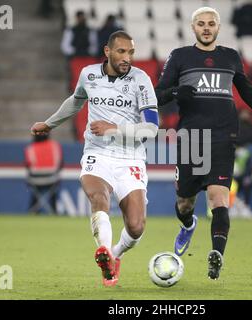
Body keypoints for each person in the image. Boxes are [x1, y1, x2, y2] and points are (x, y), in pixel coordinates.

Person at [155, 7, 252, 280]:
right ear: (193, 28)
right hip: (192, 138)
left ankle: (217, 254)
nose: (207, 28)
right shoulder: (180, 56)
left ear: (218, 27)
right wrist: (175, 92)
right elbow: (157, 95)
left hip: (224, 135)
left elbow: (249, 94)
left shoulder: (230, 57)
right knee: (185, 202)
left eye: (211, 24)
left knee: (219, 197)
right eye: (201, 24)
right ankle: (187, 225)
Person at [30, 31, 159, 286]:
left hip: (130, 158)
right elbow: (76, 102)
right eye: (121, 51)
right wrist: (49, 123)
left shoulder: (140, 80)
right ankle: (105, 254)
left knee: (136, 226)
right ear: (107, 51)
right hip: (96, 154)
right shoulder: (88, 75)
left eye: (131, 52)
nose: (127, 58)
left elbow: (152, 128)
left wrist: (114, 129)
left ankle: (117, 252)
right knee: (98, 198)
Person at [24, 133, 63, 214]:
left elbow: (28, 165)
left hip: (35, 180)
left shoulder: (30, 148)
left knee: (36, 193)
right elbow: (60, 164)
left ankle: (33, 211)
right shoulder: (55, 146)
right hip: (52, 179)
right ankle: (54, 211)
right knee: (52, 193)